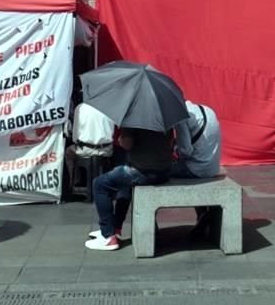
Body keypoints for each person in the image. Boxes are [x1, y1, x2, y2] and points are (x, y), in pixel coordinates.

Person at [85, 127, 173, 251]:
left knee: (99, 184)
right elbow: (171, 141)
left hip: (142, 172)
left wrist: (121, 139)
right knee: (124, 184)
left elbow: (127, 144)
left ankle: (108, 236)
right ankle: (115, 228)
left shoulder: (133, 118)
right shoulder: (163, 117)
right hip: (164, 172)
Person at [173, 101, 222, 239]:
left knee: (158, 170)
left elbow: (186, 151)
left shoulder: (180, 117)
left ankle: (153, 228)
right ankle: (203, 215)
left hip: (195, 169)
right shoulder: (207, 109)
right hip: (213, 167)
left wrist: (175, 147)